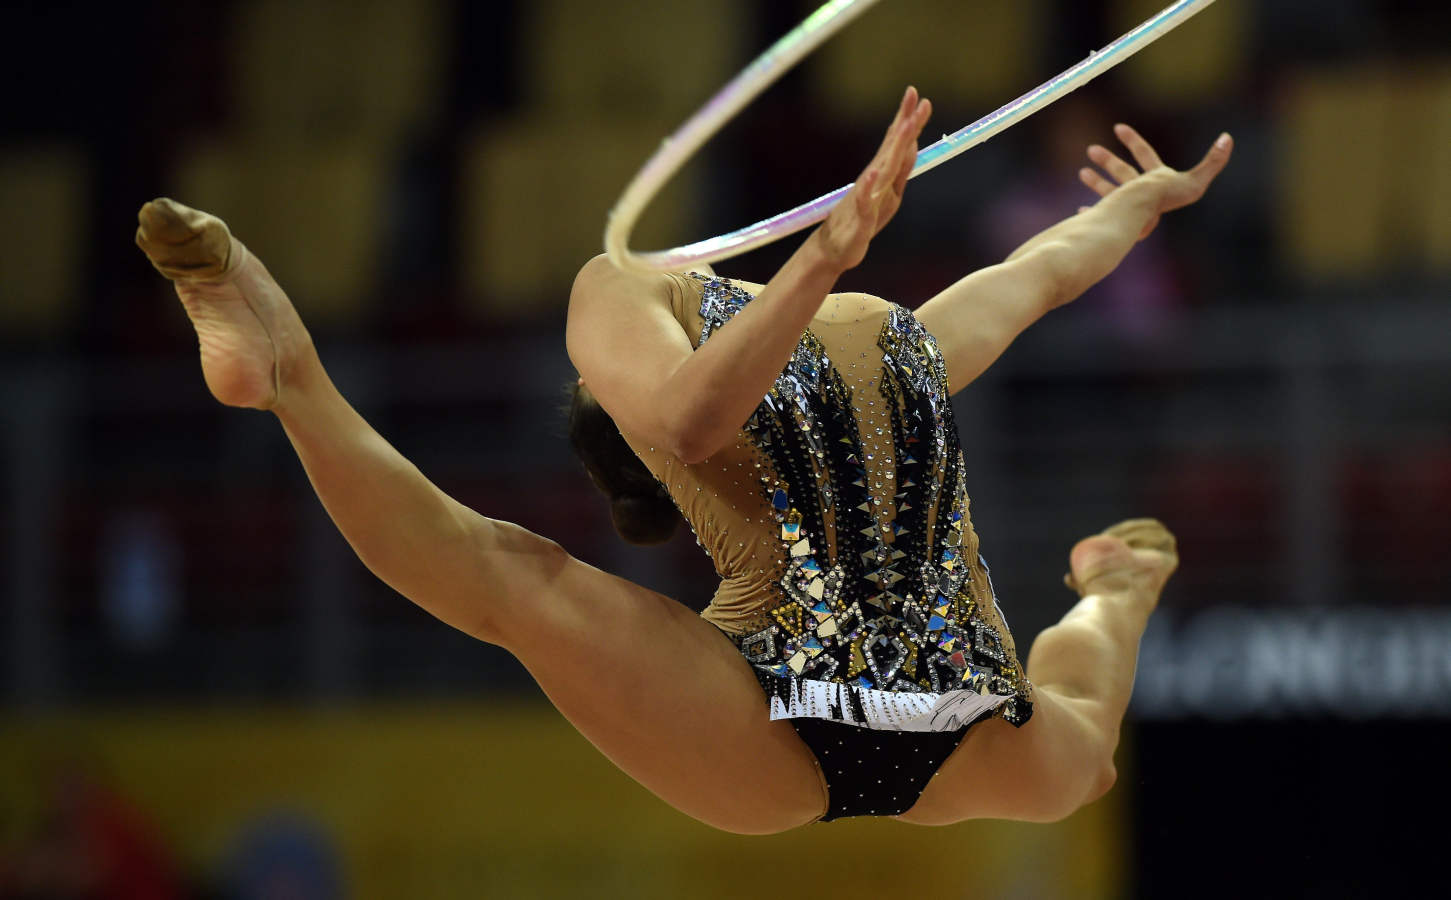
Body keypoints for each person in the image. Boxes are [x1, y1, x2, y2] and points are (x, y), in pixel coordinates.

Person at [135, 86, 1230, 833]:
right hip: (764, 716)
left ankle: (1116, 591)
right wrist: (824, 257)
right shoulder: (615, 294)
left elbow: (1039, 270)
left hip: (956, 703)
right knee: (515, 578)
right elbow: (694, 423)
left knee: (1086, 758)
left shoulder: (903, 346)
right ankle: (286, 371)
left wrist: (1137, 203)